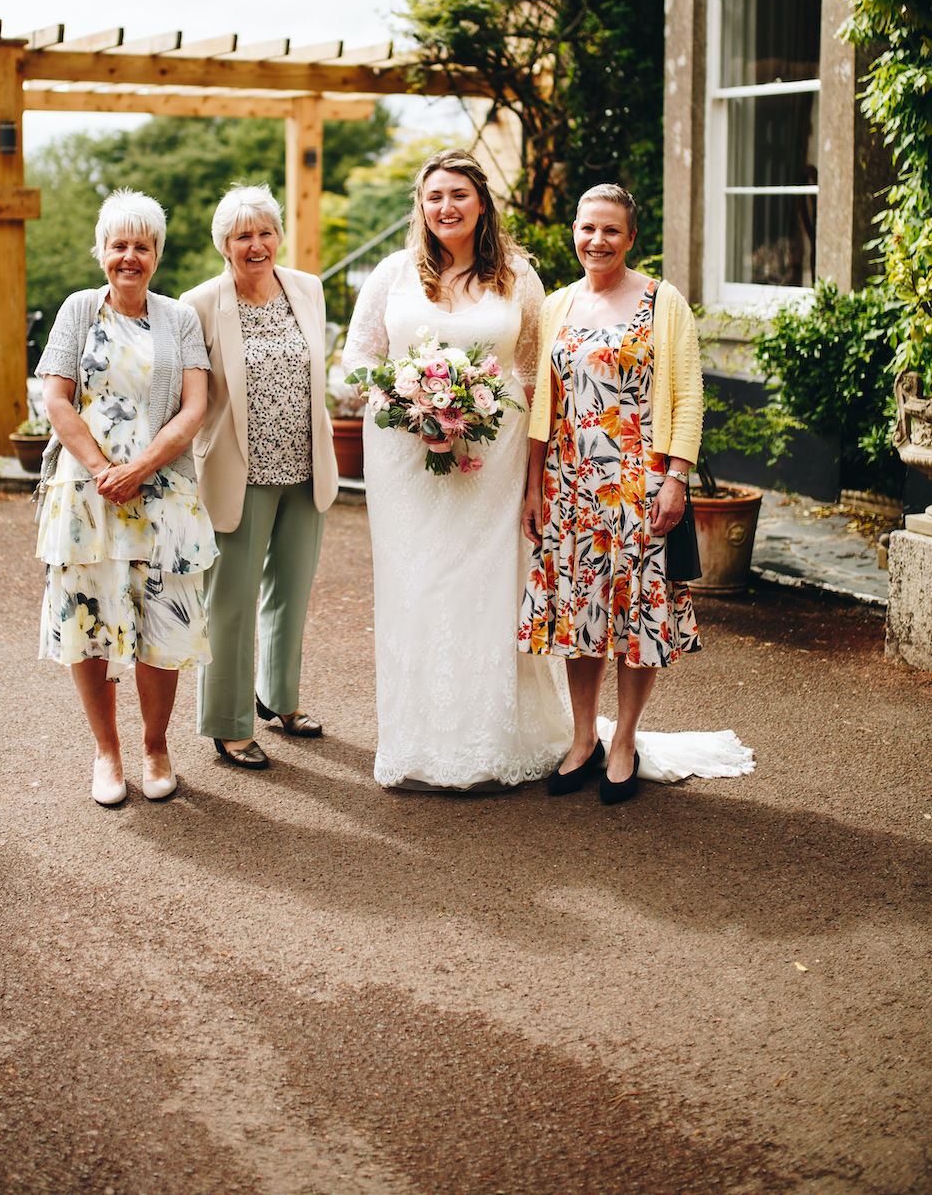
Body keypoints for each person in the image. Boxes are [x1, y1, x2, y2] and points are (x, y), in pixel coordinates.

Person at [343, 149, 573, 789]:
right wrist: (405, 400)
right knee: (414, 586)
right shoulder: (392, 275)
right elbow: (357, 361)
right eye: (434, 196)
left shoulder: (519, 278)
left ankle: (489, 744)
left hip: (492, 459)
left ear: (481, 204)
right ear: (420, 204)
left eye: (459, 196)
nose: (446, 207)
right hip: (404, 458)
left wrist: (534, 475)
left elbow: (533, 374)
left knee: (487, 589)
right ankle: (418, 746)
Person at [520, 183, 703, 805]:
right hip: (570, 487)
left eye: (611, 231)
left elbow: (687, 396)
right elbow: (543, 403)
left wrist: (677, 475)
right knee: (580, 617)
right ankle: (582, 739)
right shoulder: (557, 305)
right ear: (573, 230)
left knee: (639, 615)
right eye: (587, 228)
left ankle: (624, 738)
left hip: (641, 485)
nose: (596, 241)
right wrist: (533, 485)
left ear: (631, 238)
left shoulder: (663, 301)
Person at [35, 190, 216, 807]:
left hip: (162, 491)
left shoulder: (180, 318)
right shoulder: (78, 310)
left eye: (143, 246)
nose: (130, 257)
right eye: (119, 245)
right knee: (88, 620)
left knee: (163, 622)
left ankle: (155, 745)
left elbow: (195, 407)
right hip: (87, 497)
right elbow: (56, 398)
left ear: (157, 254)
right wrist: (101, 469)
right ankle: (107, 754)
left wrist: (138, 467)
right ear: (102, 251)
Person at [182, 184, 338, 768]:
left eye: (265, 232)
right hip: (236, 474)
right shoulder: (197, 304)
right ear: (224, 243)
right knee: (231, 600)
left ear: (279, 236)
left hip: (306, 465)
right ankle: (228, 722)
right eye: (243, 235)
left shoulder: (308, 289)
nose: (257, 244)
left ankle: (281, 699)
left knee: (291, 592)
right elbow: (185, 394)